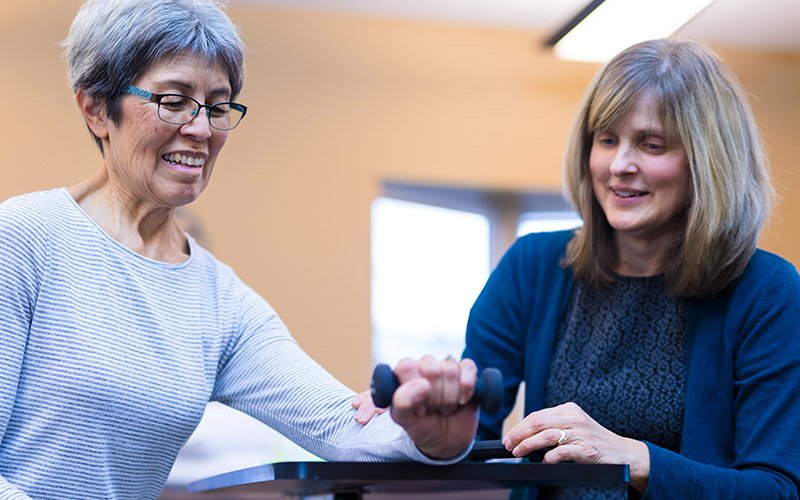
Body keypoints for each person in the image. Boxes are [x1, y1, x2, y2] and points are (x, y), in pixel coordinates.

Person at [0, 1, 479, 498]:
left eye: (218, 105)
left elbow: (339, 425)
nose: (202, 129)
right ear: (97, 108)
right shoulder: (23, 238)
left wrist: (431, 437)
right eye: (174, 100)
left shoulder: (218, 299)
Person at [460, 39, 800, 499]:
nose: (620, 165)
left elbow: (777, 489)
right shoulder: (532, 266)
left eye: (651, 144)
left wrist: (635, 459)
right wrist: (430, 427)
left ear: (708, 160)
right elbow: (469, 436)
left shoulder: (768, 292)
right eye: (607, 139)